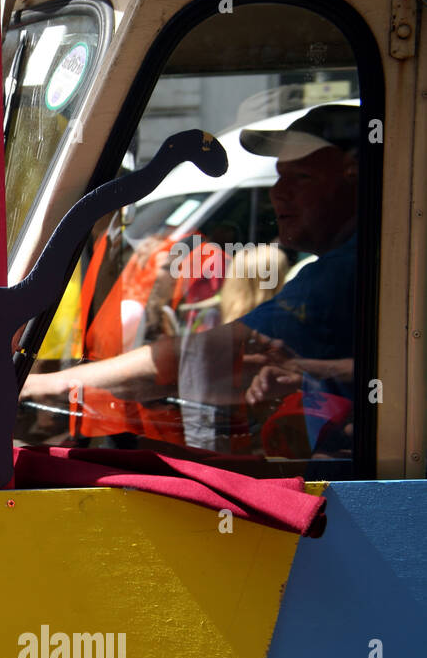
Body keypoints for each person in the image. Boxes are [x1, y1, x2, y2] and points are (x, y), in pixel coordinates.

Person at [22, 104, 360, 459]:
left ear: (353, 176)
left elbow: (210, 354)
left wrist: (45, 385)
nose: (279, 193)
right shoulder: (346, 264)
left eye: (302, 178)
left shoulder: (339, 273)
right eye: (279, 176)